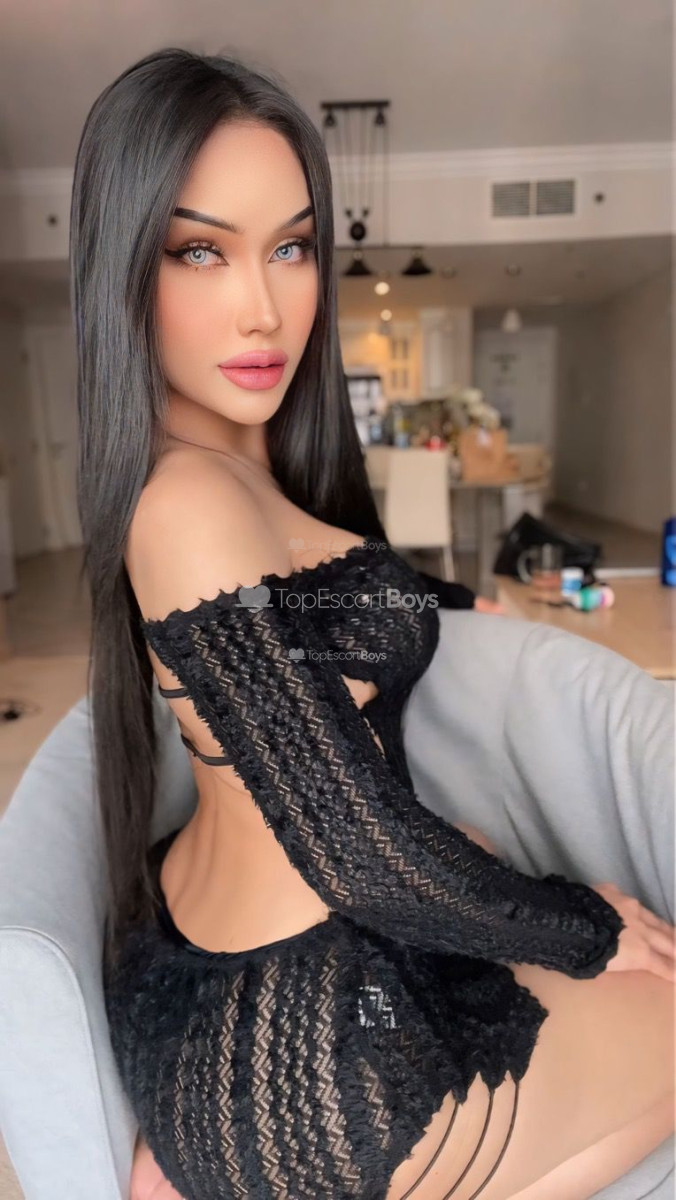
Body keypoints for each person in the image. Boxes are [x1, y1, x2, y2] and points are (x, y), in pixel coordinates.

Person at [69, 47, 675, 1200]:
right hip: (316, 1049)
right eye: (200, 250)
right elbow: (360, 856)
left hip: (235, 962)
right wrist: (585, 926)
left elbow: (318, 598)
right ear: (125, 266)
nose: (263, 307)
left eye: (291, 247)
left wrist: (449, 604)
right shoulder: (185, 503)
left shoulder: (237, 472)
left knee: (487, 872)